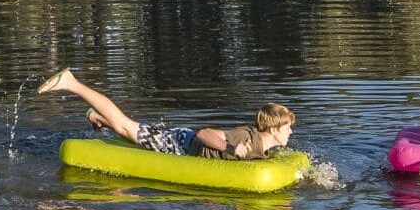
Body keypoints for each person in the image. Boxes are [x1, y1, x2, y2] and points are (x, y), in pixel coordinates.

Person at [36, 68, 295, 160]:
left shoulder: (265, 145)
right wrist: (229, 148)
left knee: (130, 131)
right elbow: (204, 133)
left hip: (181, 140)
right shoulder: (244, 138)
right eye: (287, 127)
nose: (291, 131)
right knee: (126, 126)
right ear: (272, 129)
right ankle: (72, 83)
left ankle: (97, 117)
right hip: (180, 144)